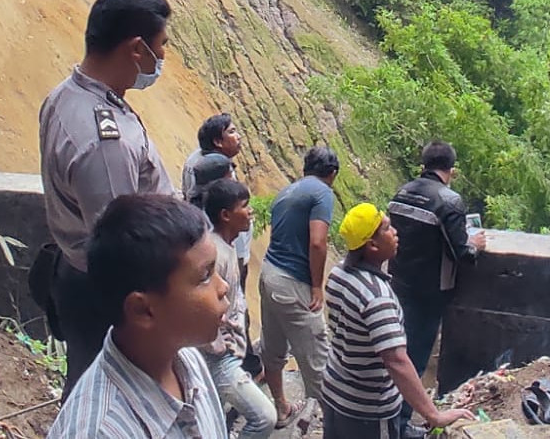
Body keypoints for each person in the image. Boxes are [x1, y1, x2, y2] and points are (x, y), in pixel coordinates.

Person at [37, 0, 174, 392]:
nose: (163, 56)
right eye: (161, 45)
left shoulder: (67, 94)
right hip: (109, 298)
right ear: (136, 49)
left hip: (78, 278)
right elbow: (123, 246)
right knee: (112, 397)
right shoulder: (102, 142)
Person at [45, 194, 230, 439]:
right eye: (205, 276)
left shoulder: (187, 361)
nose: (223, 286)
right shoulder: (101, 432)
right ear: (143, 310)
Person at [322, 203, 476, 439]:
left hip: (335, 392)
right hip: (368, 410)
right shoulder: (377, 297)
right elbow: (396, 362)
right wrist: (434, 415)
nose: (395, 232)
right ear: (372, 245)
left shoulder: (337, 274)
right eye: (386, 229)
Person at [387, 141, 486, 377]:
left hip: (397, 283)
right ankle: (401, 413)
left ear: (424, 165)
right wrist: (475, 245)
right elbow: (463, 254)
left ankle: (386, 407)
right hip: (429, 294)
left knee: (394, 352)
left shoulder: (402, 192)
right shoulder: (449, 201)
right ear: (452, 170)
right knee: (415, 359)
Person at [261, 146, 340, 425]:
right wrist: (316, 286)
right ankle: (336, 426)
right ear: (331, 174)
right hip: (293, 282)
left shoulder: (287, 191)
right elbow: (317, 242)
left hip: (269, 273)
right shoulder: (322, 193)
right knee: (318, 358)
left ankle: (281, 408)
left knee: (273, 347)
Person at [196, 178, 278, 439]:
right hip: (217, 356)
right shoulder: (214, 254)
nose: (250, 211)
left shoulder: (227, 248)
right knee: (264, 417)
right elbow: (202, 306)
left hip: (227, 352)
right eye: (245, 205)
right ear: (226, 215)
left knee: (213, 423)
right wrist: (220, 346)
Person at [183, 114, 252, 281]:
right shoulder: (215, 171)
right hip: (231, 247)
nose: (238, 136)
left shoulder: (197, 161)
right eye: (232, 132)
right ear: (218, 141)